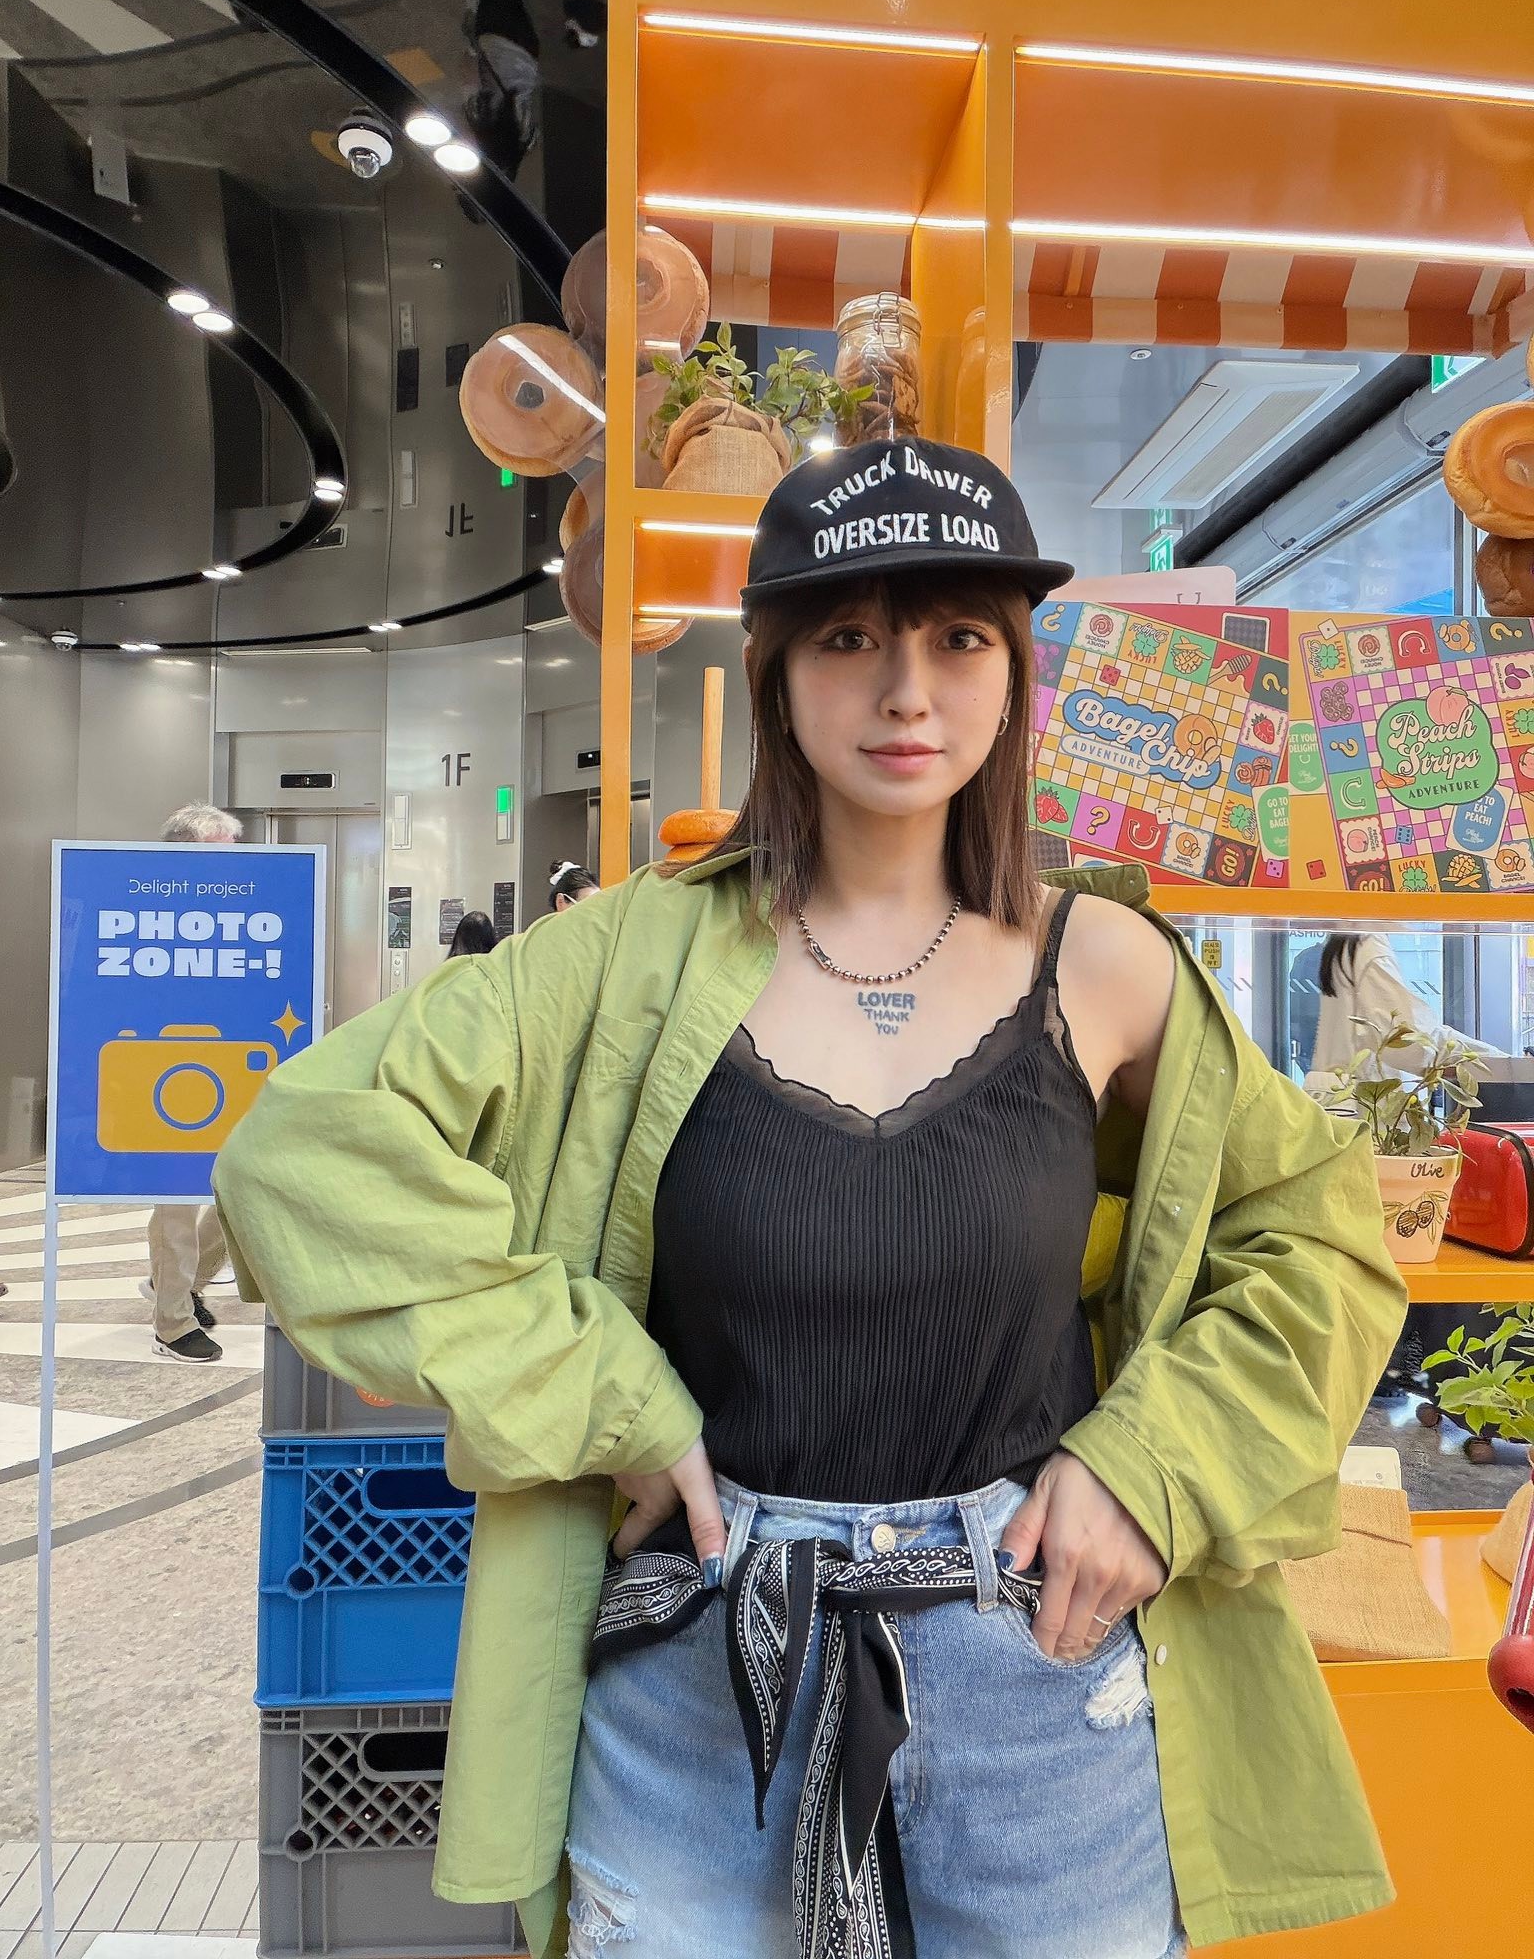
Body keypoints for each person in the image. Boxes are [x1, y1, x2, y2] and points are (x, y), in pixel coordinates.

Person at [216, 439, 1405, 1959]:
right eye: (848, 637)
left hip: (1039, 1668)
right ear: (775, 675)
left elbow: (1317, 1232)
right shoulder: (627, 957)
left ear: (1014, 676)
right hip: (695, 1676)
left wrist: (1152, 1469)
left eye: (958, 637)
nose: (907, 691)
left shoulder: (1105, 967)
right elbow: (302, 1152)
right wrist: (604, 1396)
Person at [141, 802, 241, 1362]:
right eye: (220, 854)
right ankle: (173, 1321)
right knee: (176, 1199)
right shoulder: (149, 905)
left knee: (239, 1190)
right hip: (170, 1073)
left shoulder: (242, 909)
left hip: (229, 1069)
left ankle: (179, 1282)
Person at [1304, 931, 1497, 1099]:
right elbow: (1404, 1042)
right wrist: (1494, 1062)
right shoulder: (1368, 944)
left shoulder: (1349, 941)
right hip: (1364, 1106)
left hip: (1343, 1098)